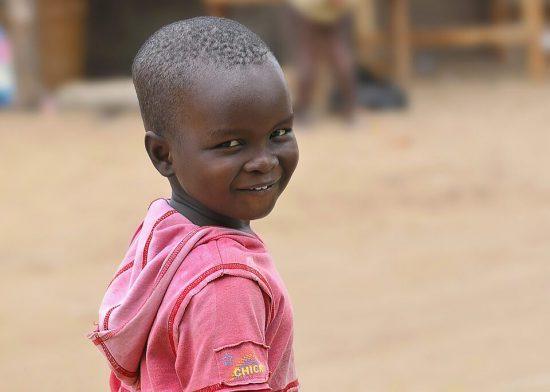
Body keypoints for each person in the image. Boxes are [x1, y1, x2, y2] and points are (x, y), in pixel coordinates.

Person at [88, 17, 300, 392]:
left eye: (278, 133)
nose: (264, 160)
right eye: (231, 144)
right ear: (163, 154)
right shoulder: (226, 283)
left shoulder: (166, 230)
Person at [287, 0, 357, 121]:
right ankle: (302, 111)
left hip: (333, 15)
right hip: (307, 12)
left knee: (340, 61)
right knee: (308, 60)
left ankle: (349, 109)